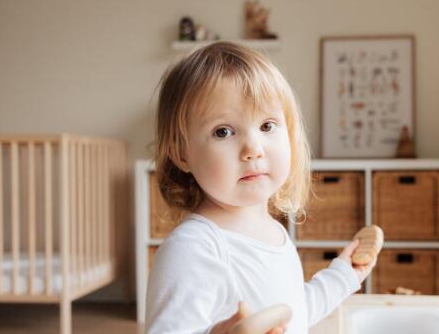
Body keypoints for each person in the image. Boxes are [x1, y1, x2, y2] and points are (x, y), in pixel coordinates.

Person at [145, 41, 377, 334]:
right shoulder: (194, 249)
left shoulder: (274, 232)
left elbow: (293, 313)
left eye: (267, 126)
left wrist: (343, 276)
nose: (253, 149)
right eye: (223, 132)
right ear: (181, 154)